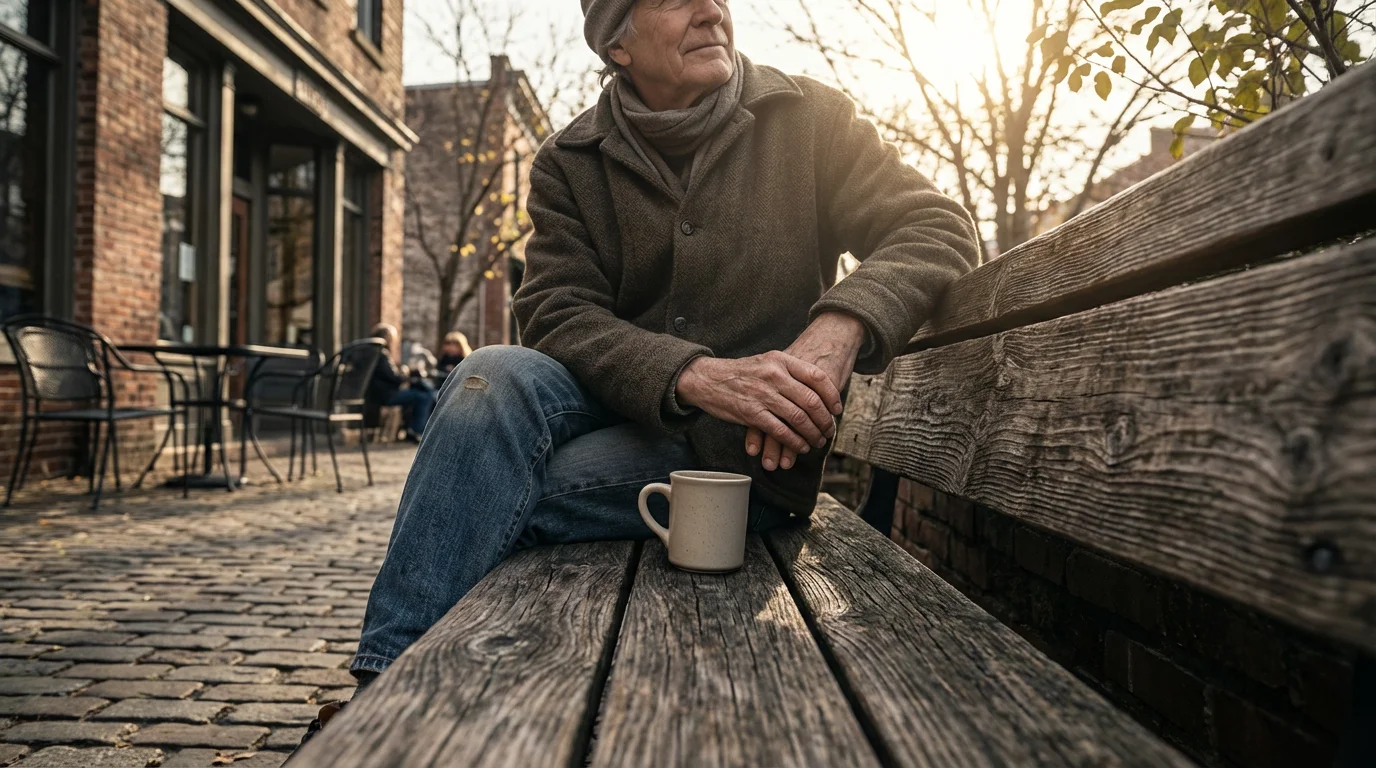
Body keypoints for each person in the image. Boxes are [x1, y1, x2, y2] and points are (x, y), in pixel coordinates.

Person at [295, 0, 978, 748]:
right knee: (491, 373)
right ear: (616, 44)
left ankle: (395, 709)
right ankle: (385, 695)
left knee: (481, 491)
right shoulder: (569, 159)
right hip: (612, 406)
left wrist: (837, 328)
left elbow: (935, 225)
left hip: (739, 460)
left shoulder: (810, 118)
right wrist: (694, 375)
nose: (710, 10)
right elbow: (555, 310)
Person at [365, 323, 436, 442]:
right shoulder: (381, 354)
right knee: (423, 396)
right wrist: (405, 371)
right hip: (385, 395)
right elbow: (395, 378)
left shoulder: (369, 352)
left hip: (375, 394)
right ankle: (417, 431)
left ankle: (410, 429)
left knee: (417, 394)